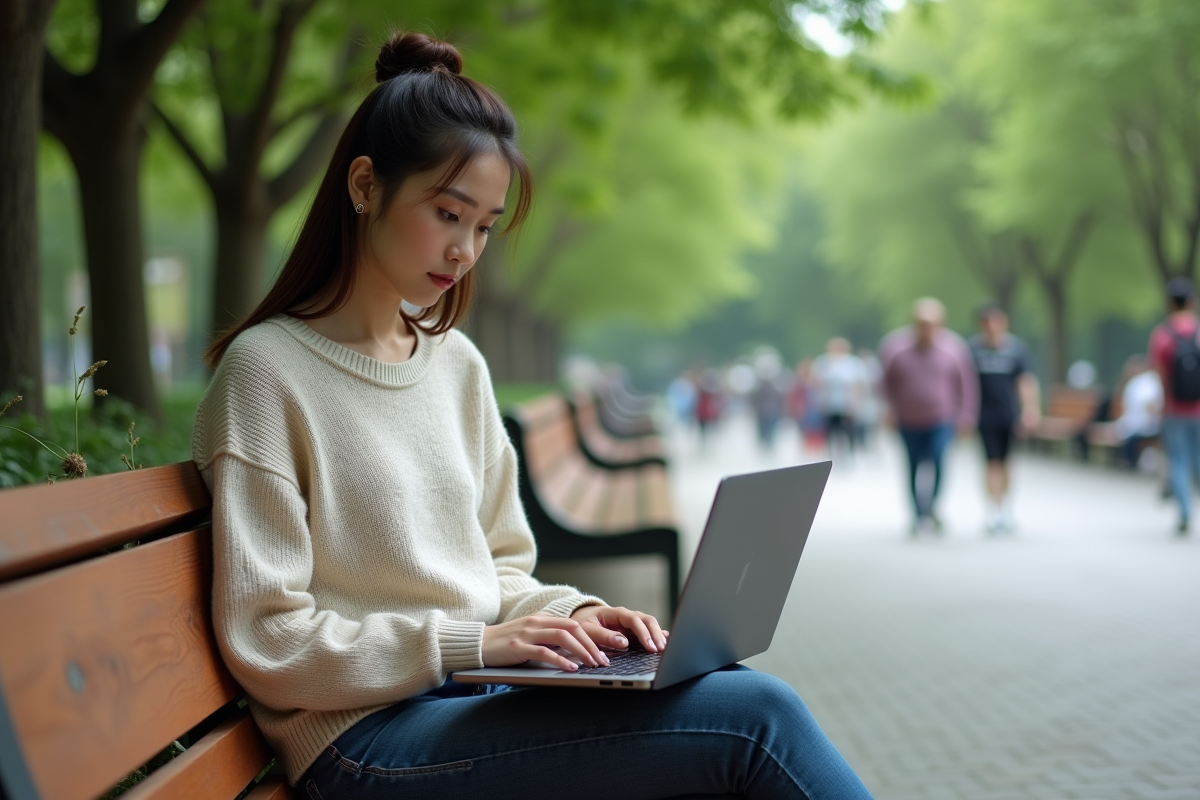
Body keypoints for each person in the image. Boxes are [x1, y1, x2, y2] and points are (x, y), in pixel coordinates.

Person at [190, 33, 872, 799]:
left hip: (472, 700)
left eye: (483, 226)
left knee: (715, 692)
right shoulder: (267, 373)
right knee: (755, 720)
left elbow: (502, 567)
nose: (464, 250)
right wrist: (468, 644)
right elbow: (269, 637)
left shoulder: (455, 364)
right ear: (364, 185)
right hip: (362, 742)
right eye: (448, 213)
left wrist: (578, 614)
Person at [880, 298, 979, 534]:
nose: (927, 328)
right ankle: (917, 512)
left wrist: (967, 416)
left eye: (932, 323)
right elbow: (886, 384)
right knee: (913, 465)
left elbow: (967, 385)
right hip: (907, 419)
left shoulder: (954, 348)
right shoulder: (895, 347)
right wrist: (888, 409)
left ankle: (932, 506)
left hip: (942, 418)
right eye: (922, 323)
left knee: (937, 459)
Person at [968, 303, 1041, 534]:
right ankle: (993, 510)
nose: (991, 326)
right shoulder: (972, 350)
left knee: (1008, 463)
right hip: (983, 415)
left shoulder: (1016, 349)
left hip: (1009, 415)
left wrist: (1030, 410)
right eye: (986, 321)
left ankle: (1005, 508)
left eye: (995, 320)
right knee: (991, 463)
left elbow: (1026, 381)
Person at [1148, 276, 1200, 535]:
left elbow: (1159, 374)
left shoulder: (1162, 335)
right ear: (1191, 301)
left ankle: (1185, 513)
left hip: (1174, 409)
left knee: (1178, 460)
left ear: (1169, 303)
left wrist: (1162, 403)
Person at [810, 338, 866, 457]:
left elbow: (858, 385)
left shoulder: (853, 363)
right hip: (829, 404)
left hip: (847, 403)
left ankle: (849, 452)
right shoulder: (823, 362)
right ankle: (831, 453)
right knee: (830, 430)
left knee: (848, 429)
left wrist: (856, 402)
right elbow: (816, 383)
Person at [1112, 355, 1162, 470]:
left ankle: (1131, 464)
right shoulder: (1143, 381)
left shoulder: (1144, 382)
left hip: (1143, 427)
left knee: (1130, 440)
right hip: (1140, 426)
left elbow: (1149, 405)